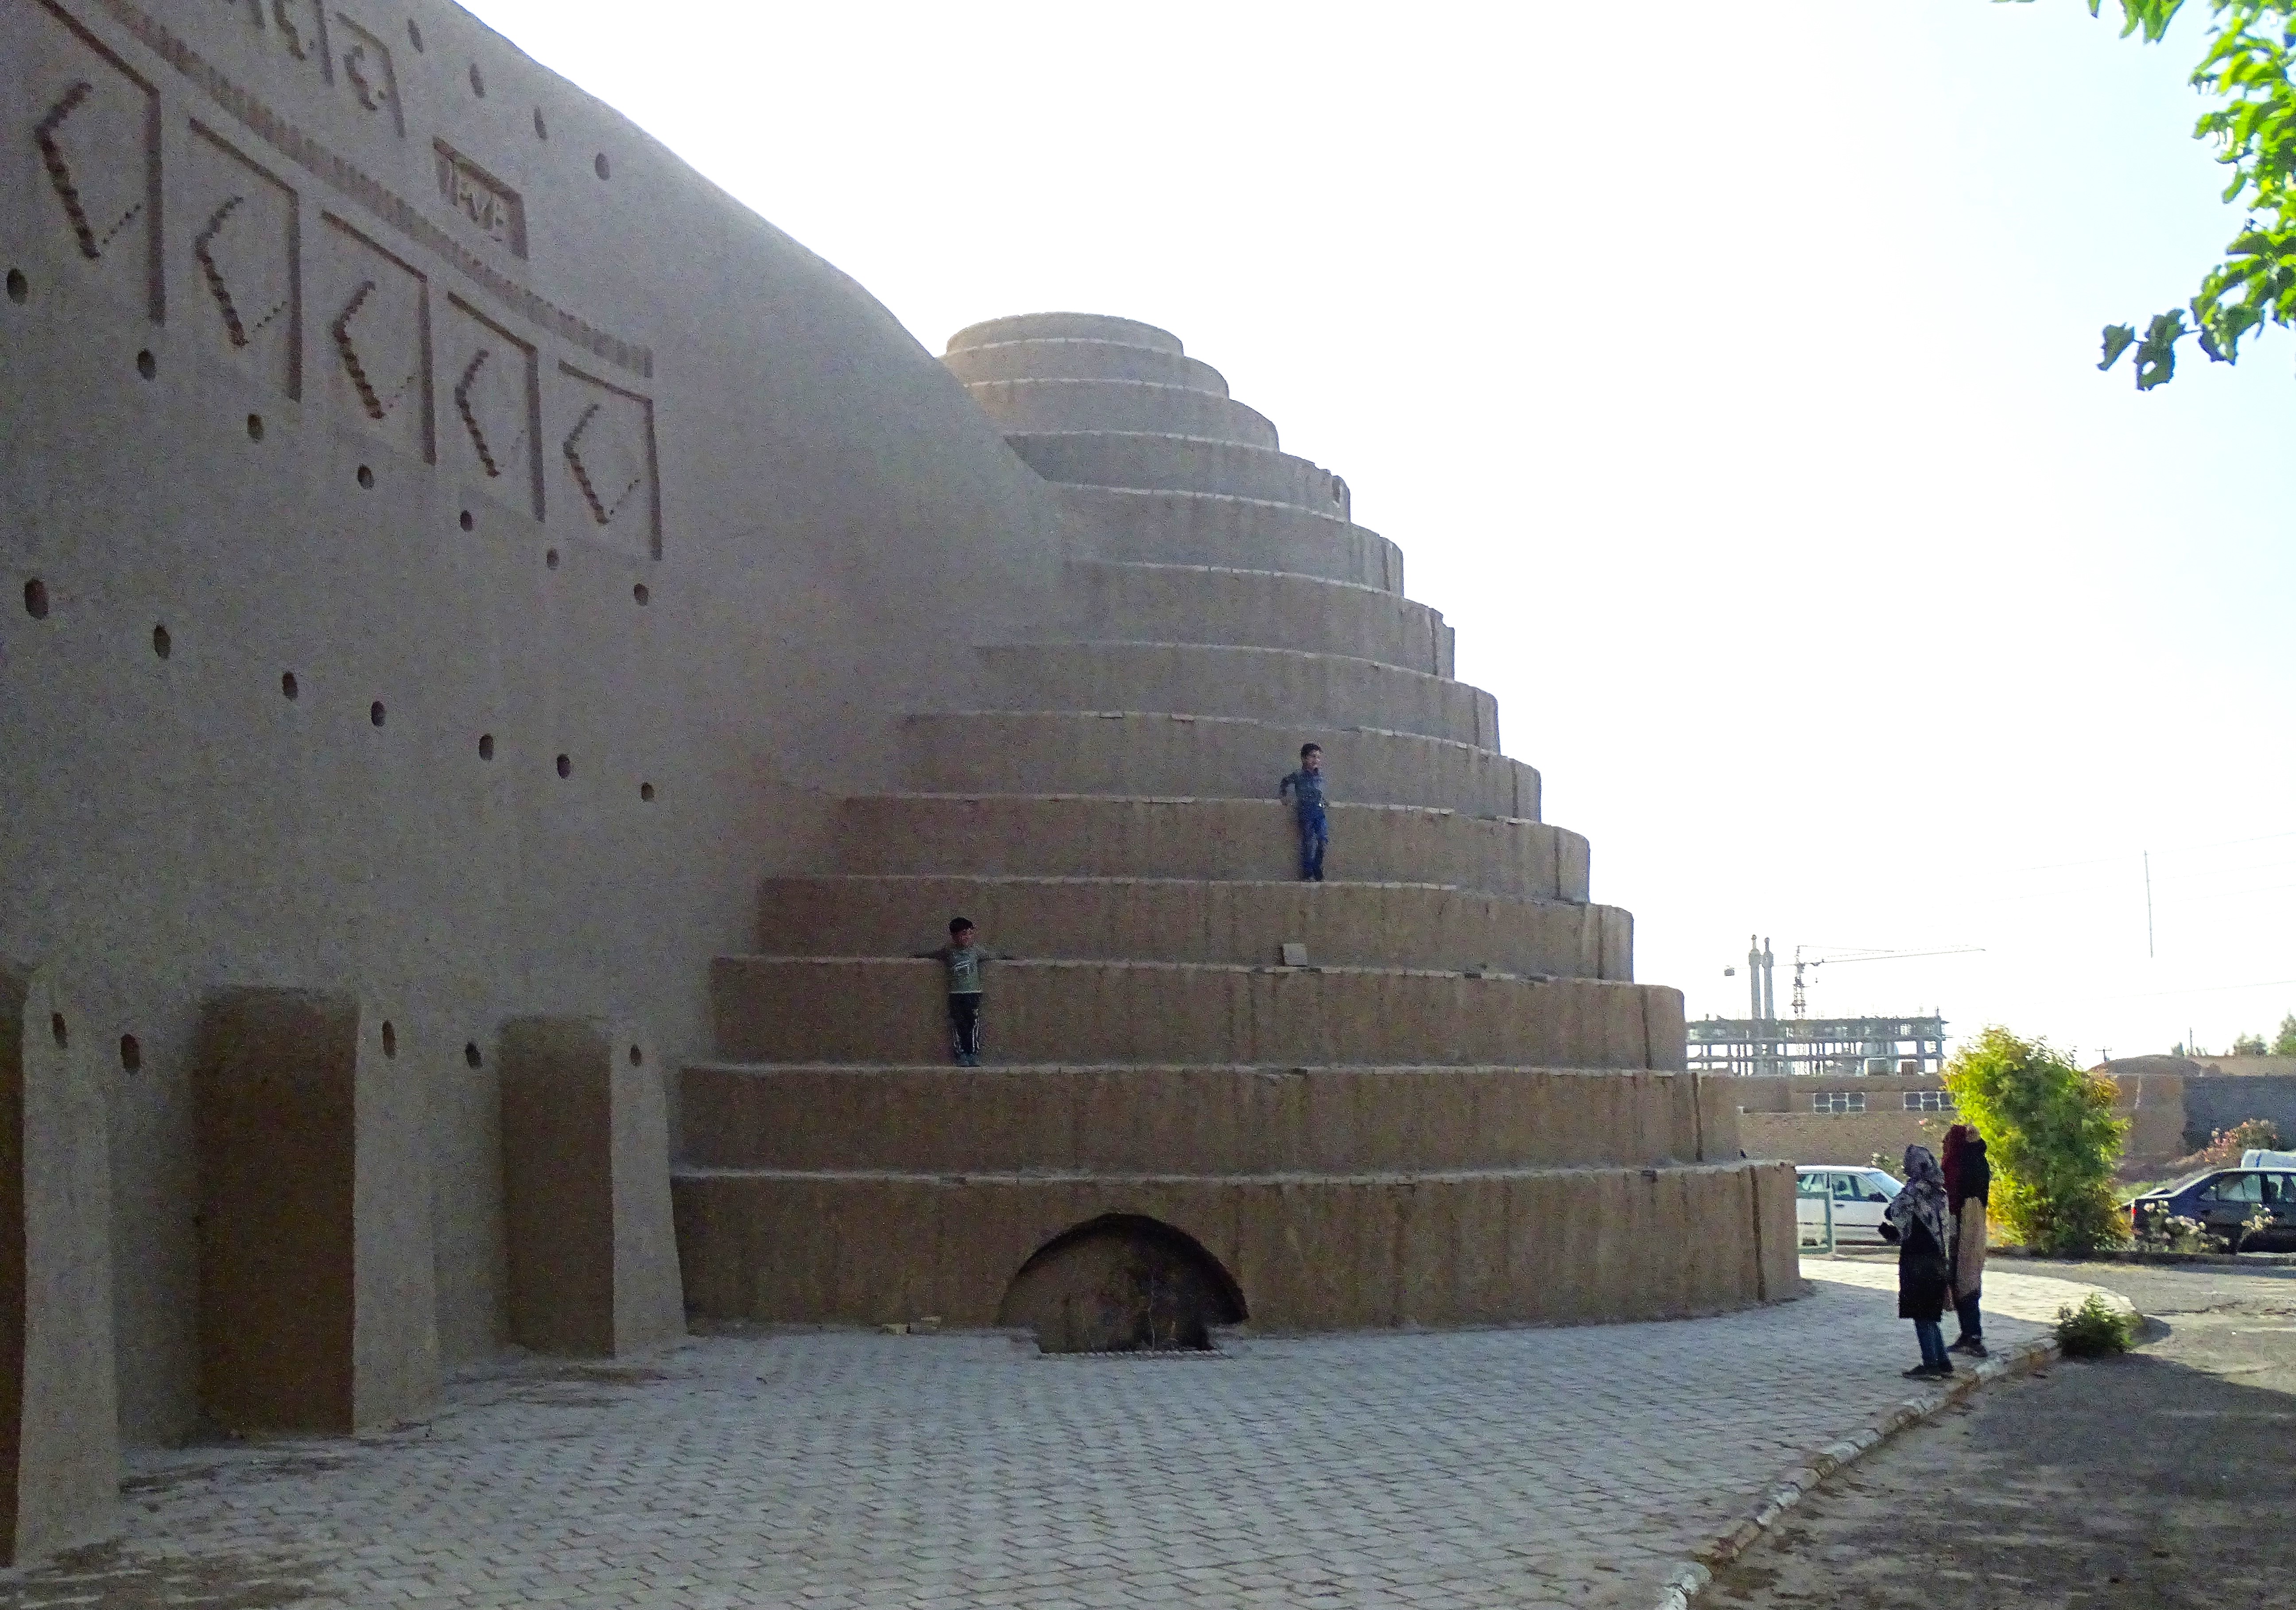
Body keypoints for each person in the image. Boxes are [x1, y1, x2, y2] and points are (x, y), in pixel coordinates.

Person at [1878, 1143, 1955, 1378]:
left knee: (1922, 1314)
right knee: (1931, 1314)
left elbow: (1892, 1212)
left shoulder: (1915, 1190)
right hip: (1940, 1259)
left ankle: (1930, 1365)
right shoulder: (1941, 1192)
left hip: (1918, 1261)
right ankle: (1943, 1363)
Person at [914, 917, 998, 1067]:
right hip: (956, 994)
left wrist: (1008, 957)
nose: (966, 938)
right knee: (959, 1024)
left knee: (973, 1023)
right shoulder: (949, 951)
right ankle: (961, 1054)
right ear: (954, 936)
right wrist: (918, 956)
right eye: (962, 934)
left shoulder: (976, 952)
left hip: (973, 993)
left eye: (969, 934)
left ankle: (973, 1053)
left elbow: (993, 955)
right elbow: (934, 955)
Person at [1941, 1124, 1990, 1357]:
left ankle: (1973, 1336)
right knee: (1962, 1280)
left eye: (1948, 1140)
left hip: (1967, 1224)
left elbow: (1956, 1196)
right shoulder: (1970, 1162)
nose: (1944, 1144)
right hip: (1965, 1224)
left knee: (1966, 1278)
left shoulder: (1964, 1164)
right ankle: (1969, 1334)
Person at [1277, 743, 1328, 882]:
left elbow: (1318, 791)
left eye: (1318, 757)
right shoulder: (1298, 776)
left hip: (1319, 812)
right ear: (1304, 759)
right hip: (1306, 812)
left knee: (1322, 841)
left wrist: (1325, 801)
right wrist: (1284, 796)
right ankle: (1308, 873)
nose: (1316, 760)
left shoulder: (1320, 776)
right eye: (1313, 757)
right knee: (1309, 843)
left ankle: (1318, 868)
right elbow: (1285, 782)